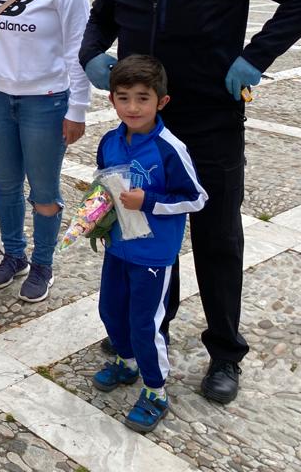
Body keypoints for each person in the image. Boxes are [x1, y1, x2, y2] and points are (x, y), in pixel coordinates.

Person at [80, 0, 301, 404]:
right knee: (148, 230)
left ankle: (224, 352)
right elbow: (102, 16)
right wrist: (91, 53)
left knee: (216, 237)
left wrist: (256, 56)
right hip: (146, 129)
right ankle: (153, 329)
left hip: (210, 122)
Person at [0, 0, 91, 302]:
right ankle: (14, 255)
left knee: (44, 190)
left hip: (45, 102)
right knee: (6, 184)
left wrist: (78, 109)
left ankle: (43, 263)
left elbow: (78, 50)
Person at [92, 55, 207, 433]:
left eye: (143, 98)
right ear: (112, 100)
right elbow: (104, 182)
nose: (133, 107)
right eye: (123, 98)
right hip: (117, 246)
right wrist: (96, 212)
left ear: (162, 101)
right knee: (111, 310)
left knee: (145, 323)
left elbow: (197, 198)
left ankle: (155, 391)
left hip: (153, 255)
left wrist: (150, 201)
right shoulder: (110, 141)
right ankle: (126, 363)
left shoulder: (170, 148)